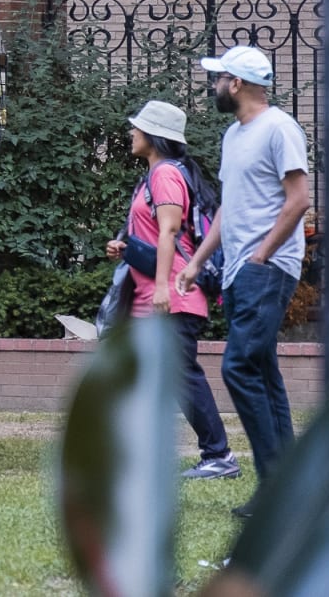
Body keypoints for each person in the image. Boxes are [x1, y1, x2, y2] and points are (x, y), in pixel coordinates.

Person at [176, 44, 310, 515]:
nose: (213, 86)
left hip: (266, 269)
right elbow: (228, 211)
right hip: (236, 272)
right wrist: (196, 262)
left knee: (237, 366)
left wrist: (261, 255)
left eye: (218, 79)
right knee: (262, 372)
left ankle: (276, 491)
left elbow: (299, 200)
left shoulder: (280, 128)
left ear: (236, 83)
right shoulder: (233, 136)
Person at [104, 100, 237, 480]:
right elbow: (151, 233)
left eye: (137, 128)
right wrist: (125, 246)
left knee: (181, 375)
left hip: (172, 295)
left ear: (154, 137)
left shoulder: (164, 175)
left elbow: (171, 231)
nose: (131, 133)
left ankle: (220, 456)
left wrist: (162, 286)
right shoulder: (156, 175)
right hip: (158, 294)